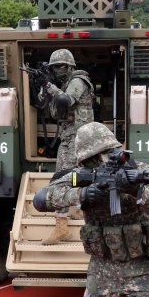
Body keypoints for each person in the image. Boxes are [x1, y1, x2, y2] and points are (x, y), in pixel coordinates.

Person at [33, 122, 149, 297]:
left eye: (109, 153)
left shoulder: (139, 172)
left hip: (140, 265)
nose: (104, 159)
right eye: (95, 158)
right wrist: (81, 195)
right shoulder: (79, 175)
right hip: (102, 267)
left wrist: (138, 191)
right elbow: (41, 199)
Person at [41, 48, 94, 245]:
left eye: (62, 66)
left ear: (70, 66)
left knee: (62, 178)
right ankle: (78, 209)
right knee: (75, 175)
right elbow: (57, 112)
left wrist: (52, 88)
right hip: (72, 136)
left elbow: (66, 100)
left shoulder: (78, 81)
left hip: (76, 138)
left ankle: (61, 226)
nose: (58, 69)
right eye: (55, 67)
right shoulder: (67, 83)